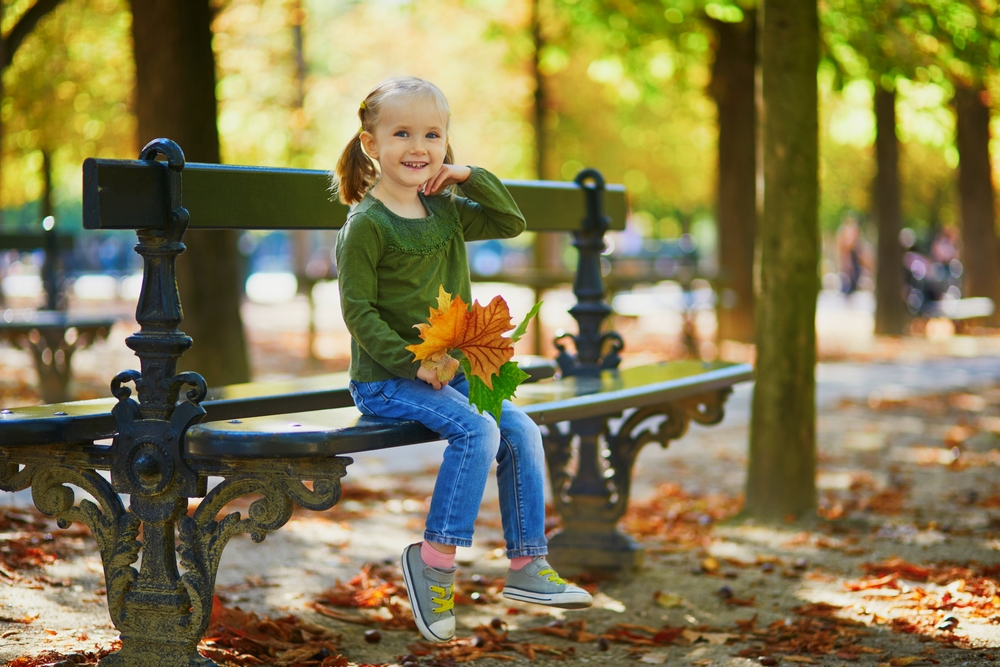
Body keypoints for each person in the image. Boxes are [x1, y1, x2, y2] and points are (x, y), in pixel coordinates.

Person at [333, 76, 592, 644]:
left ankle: (527, 566)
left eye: (432, 133)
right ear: (371, 144)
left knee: (520, 428)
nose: (418, 146)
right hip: (386, 380)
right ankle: (434, 561)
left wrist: (471, 176)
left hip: (448, 375)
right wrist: (412, 363)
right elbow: (358, 313)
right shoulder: (366, 226)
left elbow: (510, 222)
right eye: (401, 133)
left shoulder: (447, 210)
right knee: (478, 429)